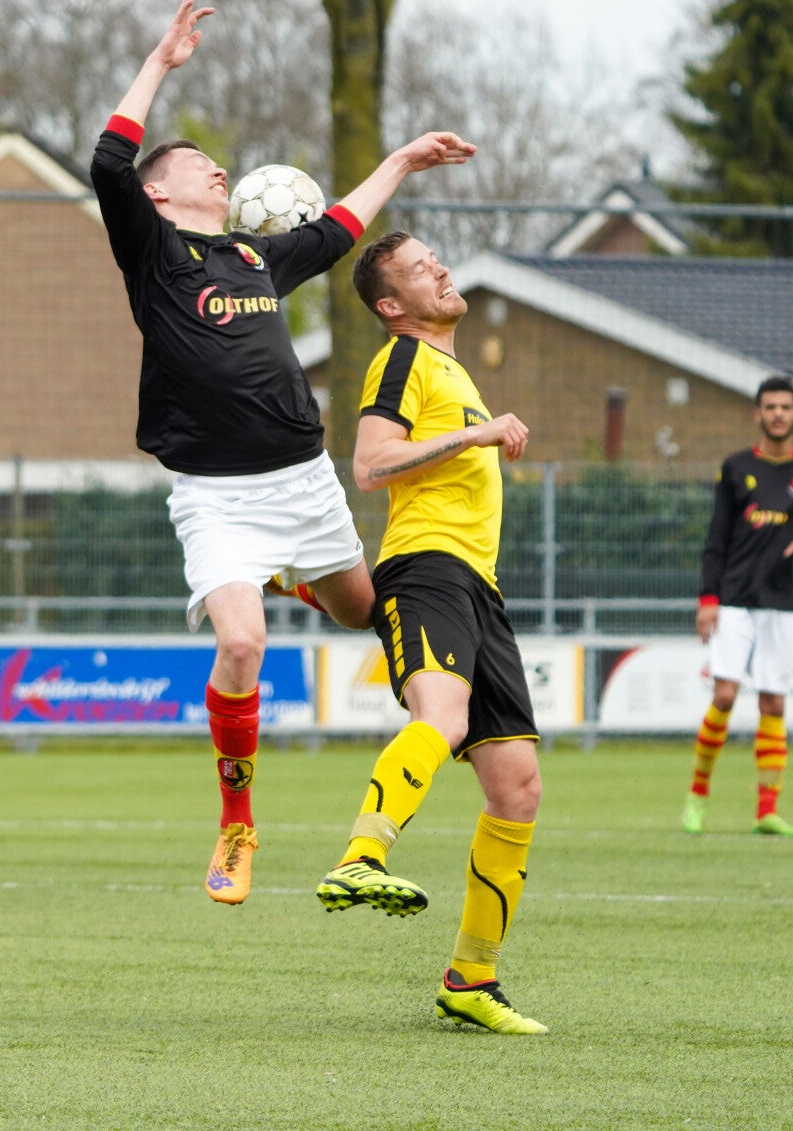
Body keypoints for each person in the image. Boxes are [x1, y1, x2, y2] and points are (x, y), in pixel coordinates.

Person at [92, 0, 474, 904]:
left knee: (361, 613)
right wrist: (161, 62)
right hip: (216, 495)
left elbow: (338, 230)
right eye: (200, 165)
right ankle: (237, 822)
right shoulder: (152, 252)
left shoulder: (255, 259)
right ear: (158, 191)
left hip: (302, 484)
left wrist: (400, 159)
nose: (218, 170)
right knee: (242, 644)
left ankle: (284, 575)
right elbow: (108, 159)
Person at [311, 231, 546, 1035]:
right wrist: (475, 435)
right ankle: (361, 856)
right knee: (439, 717)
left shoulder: (452, 368)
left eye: (435, 259)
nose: (439, 269)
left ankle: (470, 978)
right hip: (426, 569)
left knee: (517, 787)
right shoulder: (403, 358)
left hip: (478, 585)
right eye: (419, 268)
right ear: (390, 305)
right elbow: (370, 464)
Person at [682, 376, 793, 838]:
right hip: (734, 600)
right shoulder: (735, 468)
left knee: (773, 702)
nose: (778, 414)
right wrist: (708, 599)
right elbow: (716, 539)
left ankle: (767, 810)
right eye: (771, 407)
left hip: (781, 604)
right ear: (758, 414)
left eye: (786, 407)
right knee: (725, 695)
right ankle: (697, 794)